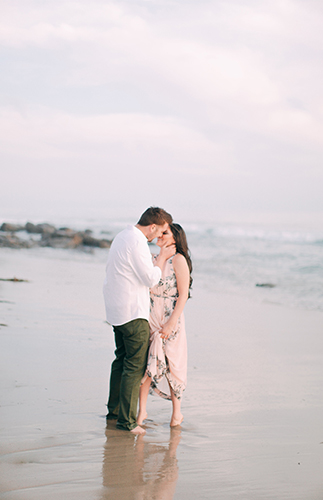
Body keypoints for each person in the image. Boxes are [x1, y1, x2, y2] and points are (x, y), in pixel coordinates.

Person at [103, 207, 175, 434]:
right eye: (160, 231)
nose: (159, 237)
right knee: (134, 367)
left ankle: (114, 412)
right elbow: (151, 279)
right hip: (132, 312)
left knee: (121, 361)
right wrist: (162, 257)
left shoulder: (122, 236)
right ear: (152, 226)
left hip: (116, 310)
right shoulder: (137, 243)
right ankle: (126, 421)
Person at [137, 223, 192, 427]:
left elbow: (183, 295)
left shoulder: (179, 261)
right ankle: (141, 411)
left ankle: (177, 413)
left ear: (175, 239)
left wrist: (171, 322)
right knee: (147, 363)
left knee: (173, 364)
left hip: (170, 316)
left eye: (165, 233)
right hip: (151, 316)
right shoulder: (154, 259)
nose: (160, 235)